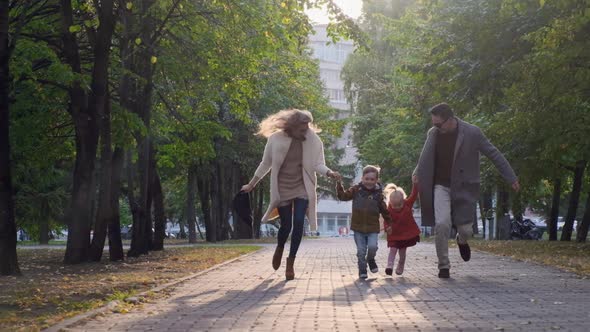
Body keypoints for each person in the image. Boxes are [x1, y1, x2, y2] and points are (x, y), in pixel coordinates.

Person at [413, 103, 520, 278]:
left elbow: (494, 153)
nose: (436, 128)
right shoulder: (434, 134)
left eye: (438, 124)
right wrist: (417, 172)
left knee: (466, 230)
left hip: (464, 186)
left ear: (450, 120)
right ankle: (443, 266)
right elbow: (426, 156)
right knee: (441, 224)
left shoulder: (472, 133)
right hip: (441, 186)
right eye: (433, 124)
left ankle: (461, 241)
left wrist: (511, 177)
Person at [241, 109, 341, 281]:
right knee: (286, 225)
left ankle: (291, 262)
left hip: (302, 186)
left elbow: (318, 164)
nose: (306, 131)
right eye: (302, 128)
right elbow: (266, 163)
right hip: (282, 187)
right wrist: (251, 184)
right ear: (292, 126)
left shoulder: (314, 140)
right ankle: (280, 247)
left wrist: (330, 172)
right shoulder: (275, 139)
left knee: (299, 222)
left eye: (308, 127)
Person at [336, 165, 392, 279]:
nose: (369, 182)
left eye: (372, 179)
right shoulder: (356, 190)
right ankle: (362, 269)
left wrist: (390, 224)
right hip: (358, 228)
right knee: (361, 251)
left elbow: (385, 211)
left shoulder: (378, 195)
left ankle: (371, 259)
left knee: (372, 247)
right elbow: (343, 196)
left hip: (372, 228)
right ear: (362, 178)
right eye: (367, 179)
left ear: (376, 180)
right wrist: (338, 184)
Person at [383, 178, 421, 276]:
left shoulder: (407, 204)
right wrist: (387, 228)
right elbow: (386, 220)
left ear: (403, 200)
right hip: (394, 234)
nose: (397, 207)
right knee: (393, 250)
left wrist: (415, 185)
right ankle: (389, 266)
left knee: (402, 253)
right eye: (394, 205)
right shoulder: (389, 210)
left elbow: (413, 195)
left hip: (404, 234)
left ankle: (401, 264)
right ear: (390, 202)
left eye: (399, 204)